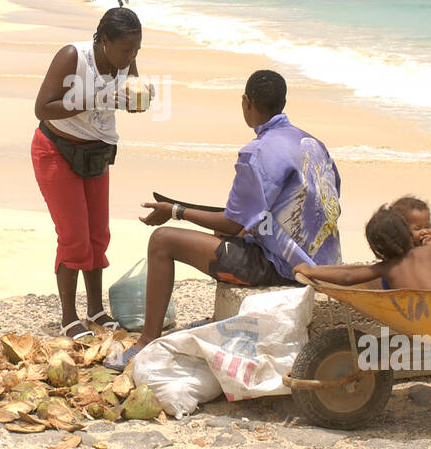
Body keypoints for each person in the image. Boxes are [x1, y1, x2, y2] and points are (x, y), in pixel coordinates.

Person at [109, 70, 342, 368]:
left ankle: (145, 342)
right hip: (323, 258)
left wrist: (175, 212)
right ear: (282, 103)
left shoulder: (256, 153)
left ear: (246, 103)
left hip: (285, 267)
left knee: (162, 241)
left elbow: (232, 223)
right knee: (226, 234)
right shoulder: (311, 143)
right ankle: (220, 319)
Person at [32, 7, 148, 340]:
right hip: (56, 148)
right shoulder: (73, 57)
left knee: (98, 235)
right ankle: (69, 318)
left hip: (96, 152)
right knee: (74, 236)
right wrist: (97, 97)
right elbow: (42, 107)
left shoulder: (125, 61)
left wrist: (139, 98)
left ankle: (95, 310)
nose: (131, 57)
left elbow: (129, 92)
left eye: (136, 50)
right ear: (104, 41)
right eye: (126, 49)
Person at [294, 205, 431, 292]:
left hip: (423, 324)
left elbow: (348, 276)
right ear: (406, 234)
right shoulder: (428, 252)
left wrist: (311, 270)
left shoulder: (386, 268)